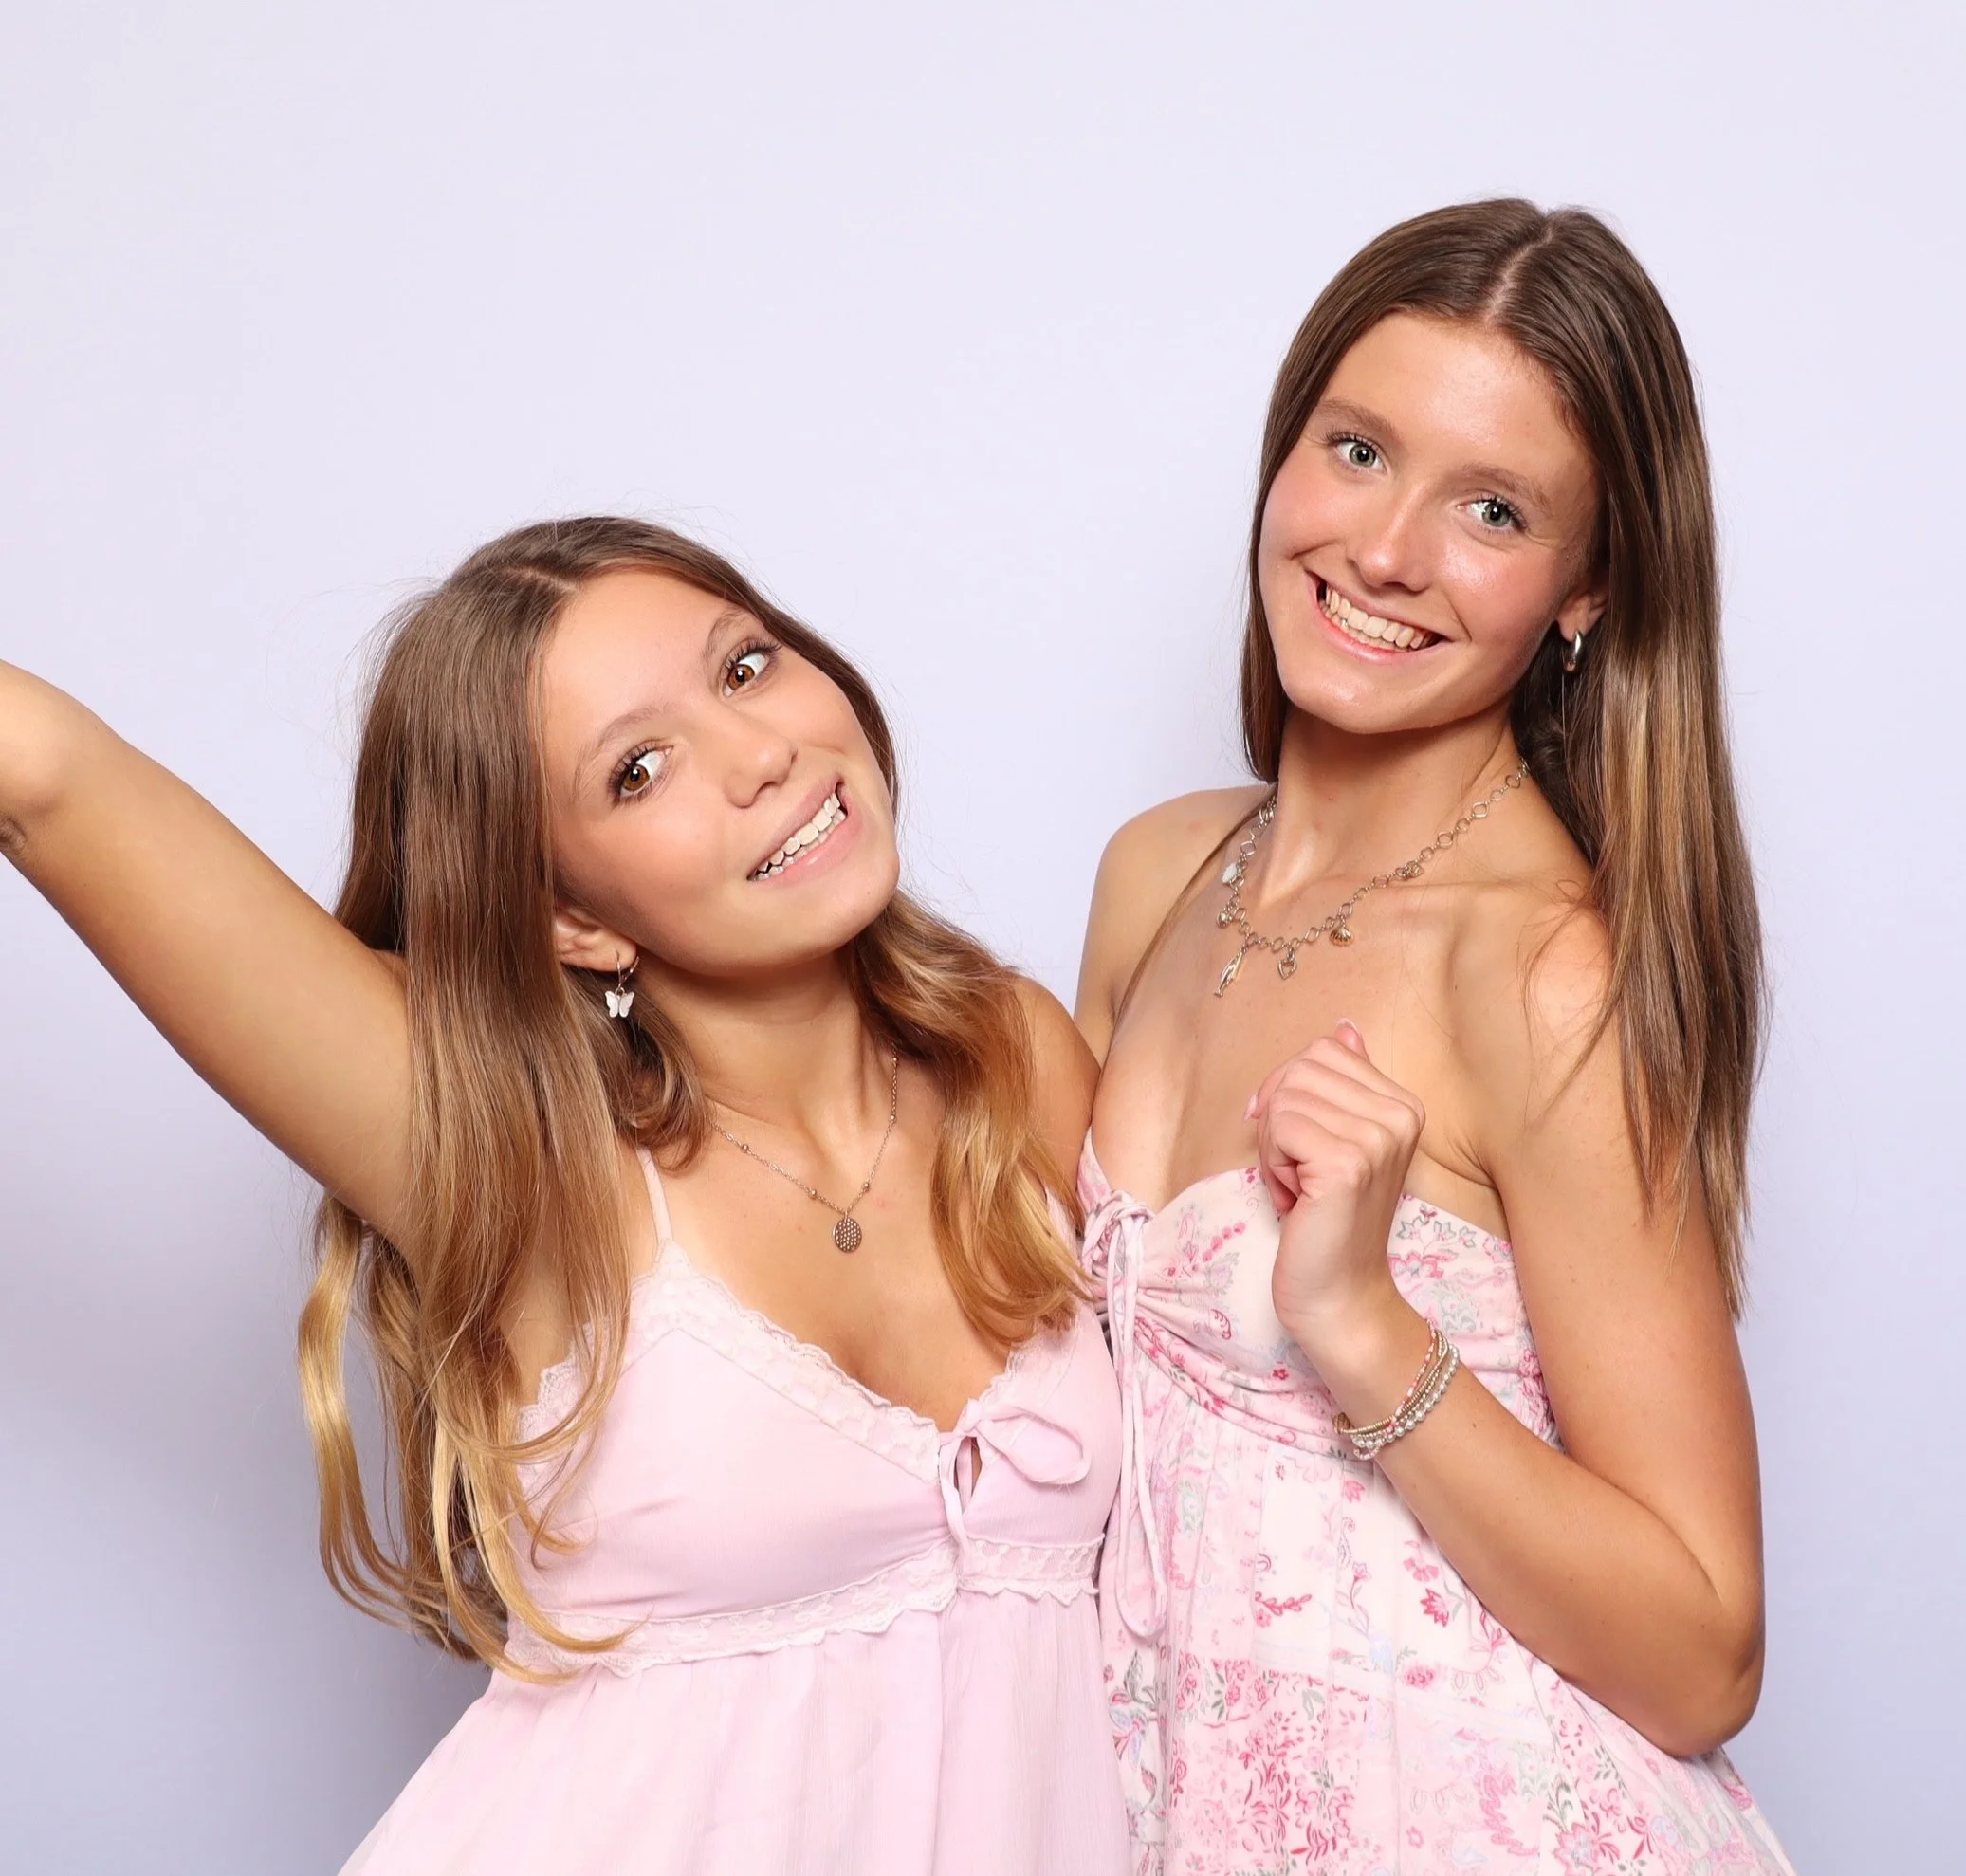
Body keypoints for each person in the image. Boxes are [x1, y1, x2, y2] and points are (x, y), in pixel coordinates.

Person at [0, 518, 1129, 1875]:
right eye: (639, 769)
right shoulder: (524, 1164)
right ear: (572, 919)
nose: (761, 754)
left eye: (748, 666)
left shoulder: (1016, 1059)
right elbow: (45, 776)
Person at [1075, 202, 1796, 1872]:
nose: (1388, 550)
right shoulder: (1157, 872)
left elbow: (1704, 1652)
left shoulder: (1549, 975)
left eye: (1492, 508)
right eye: (1356, 449)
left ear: (1586, 587)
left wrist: (1361, 1322)